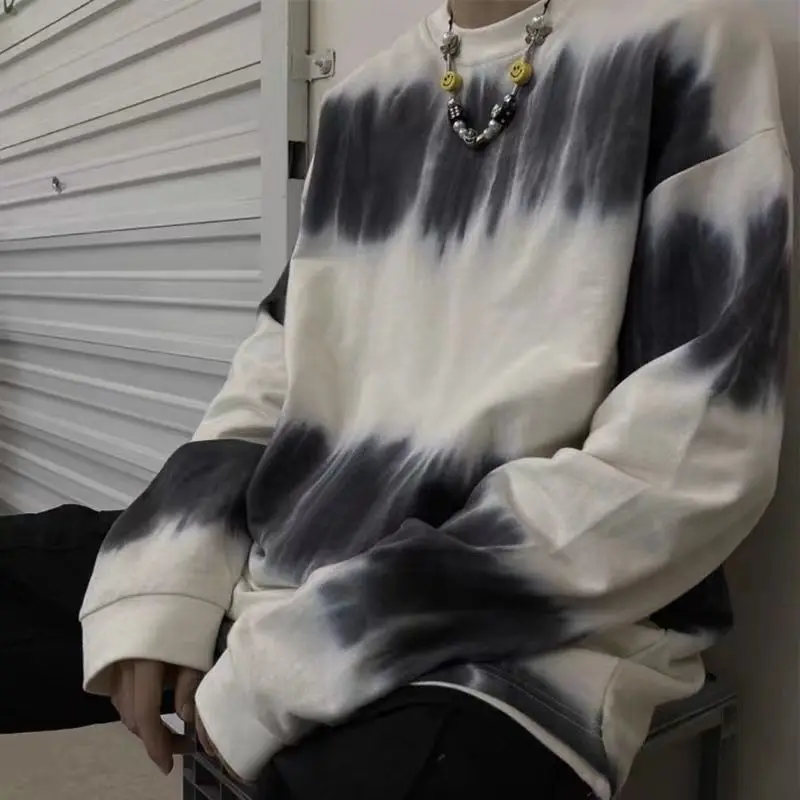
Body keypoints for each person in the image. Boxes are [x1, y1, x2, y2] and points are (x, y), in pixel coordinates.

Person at [1, 0, 793, 797]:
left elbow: (689, 456)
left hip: (522, 619)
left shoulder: (679, 45)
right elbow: (275, 372)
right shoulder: (362, 100)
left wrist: (311, 646)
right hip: (293, 552)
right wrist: (166, 574)